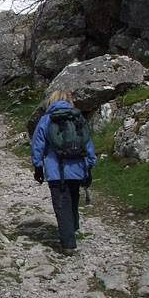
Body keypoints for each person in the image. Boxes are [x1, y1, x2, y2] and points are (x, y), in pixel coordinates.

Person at [30, 89, 96, 256]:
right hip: (77, 168)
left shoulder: (46, 119)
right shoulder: (78, 118)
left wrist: (38, 167)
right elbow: (87, 143)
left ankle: (68, 244)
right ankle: (72, 229)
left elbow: (38, 145)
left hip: (56, 170)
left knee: (61, 204)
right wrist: (88, 165)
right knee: (73, 200)